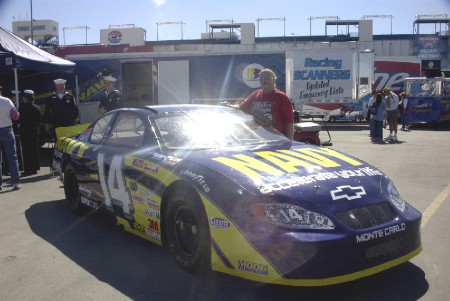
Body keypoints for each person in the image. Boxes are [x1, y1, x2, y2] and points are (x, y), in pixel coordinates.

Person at [237, 69, 294, 139]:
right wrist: (227, 105)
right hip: (259, 139)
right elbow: (240, 108)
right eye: (262, 78)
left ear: (274, 80)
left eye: (268, 78)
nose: (264, 81)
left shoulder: (282, 97)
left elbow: (289, 122)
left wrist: (290, 141)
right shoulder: (255, 94)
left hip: (277, 140)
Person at [0, 84, 21, 190]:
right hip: (7, 130)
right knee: (12, 157)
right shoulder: (7, 101)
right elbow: (16, 116)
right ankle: (16, 182)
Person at [18, 90, 41, 176]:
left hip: (24, 131)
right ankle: (35, 168)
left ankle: (28, 169)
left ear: (25, 97)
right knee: (34, 149)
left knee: (26, 151)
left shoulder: (22, 107)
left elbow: (18, 119)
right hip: (34, 130)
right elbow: (39, 120)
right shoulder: (37, 107)